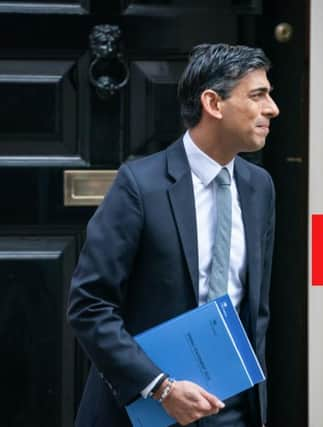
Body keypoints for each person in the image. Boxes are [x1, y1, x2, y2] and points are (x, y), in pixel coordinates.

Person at [67, 43, 279, 427]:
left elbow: (255, 310)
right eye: (258, 95)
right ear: (213, 103)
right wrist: (160, 387)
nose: (272, 109)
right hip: (147, 407)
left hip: (234, 410)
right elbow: (89, 304)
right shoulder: (139, 185)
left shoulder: (259, 186)